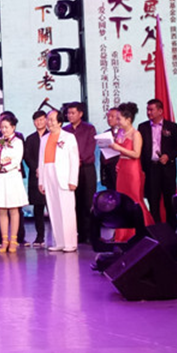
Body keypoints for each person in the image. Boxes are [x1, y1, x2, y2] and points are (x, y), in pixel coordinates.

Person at [138, 99, 177, 230]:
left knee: (169, 200)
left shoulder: (171, 127)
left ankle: (172, 229)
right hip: (151, 168)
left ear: (160, 111)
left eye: (151, 110)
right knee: (153, 200)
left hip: (167, 168)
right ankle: (157, 230)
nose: (149, 113)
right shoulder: (143, 127)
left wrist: (168, 156)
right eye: (147, 110)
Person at [111, 102, 153, 242]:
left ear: (128, 119)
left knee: (135, 199)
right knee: (122, 201)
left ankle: (142, 232)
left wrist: (118, 148)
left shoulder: (136, 134)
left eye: (119, 118)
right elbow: (119, 152)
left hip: (132, 169)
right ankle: (123, 234)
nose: (117, 121)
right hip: (122, 168)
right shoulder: (120, 133)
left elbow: (136, 154)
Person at [38, 110, 80, 252]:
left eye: (51, 119)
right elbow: (41, 161)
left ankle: (70, 243)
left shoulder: (69, 137)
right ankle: (60, 242)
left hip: (63, 176)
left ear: (60, 122)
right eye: (48, 119)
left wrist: (73, 180)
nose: (48, 122)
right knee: (53, 209)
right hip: (48, 173)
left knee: (66, 210)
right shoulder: (44, 138)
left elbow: (74, 160)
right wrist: (41, 181)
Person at [0, 112, 28, 253]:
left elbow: (16, 160)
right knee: (1, 209)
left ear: (13, 127)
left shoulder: (17, 142)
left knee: (13, 209)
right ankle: (4, 240)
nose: (4, 130)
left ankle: (14, 240)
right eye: (2, 127)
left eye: (6, 127)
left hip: (12, 177)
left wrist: (1, 166)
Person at [64, 101, 97, 244]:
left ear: (80, 114)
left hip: (86, 169)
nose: (70, 116)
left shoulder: (89, 129)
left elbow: (90, 149)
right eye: (68, 113)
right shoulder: (65, 130)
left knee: (88, 202)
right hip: (71, 170)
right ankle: (79, 233)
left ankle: (91, 234)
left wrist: (78, 159)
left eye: (73, 113)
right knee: (75, 203)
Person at [23, 110, 49, 248]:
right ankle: (40, 237)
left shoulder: (51, 136)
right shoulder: (30, 138)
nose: (38, 122)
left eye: (41, 119)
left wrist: (45, 169)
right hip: (36, 176)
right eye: (36, 120)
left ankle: (59, 237)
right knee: (38, 208)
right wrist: (36, 168)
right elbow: (27, 157)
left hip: (50, 175)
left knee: (53, 207)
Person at [100, 107, 120, 190]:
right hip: (108, 171)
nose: (109, 119)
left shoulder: (125, 132)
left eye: (112, 116)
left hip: (120, 170)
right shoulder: (106, 133)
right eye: (108, 116)